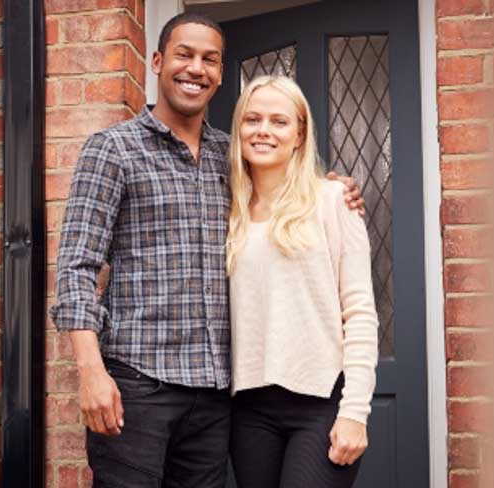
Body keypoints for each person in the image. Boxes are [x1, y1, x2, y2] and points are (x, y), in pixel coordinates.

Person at [49, 13, 364, 488]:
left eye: (209, 60)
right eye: (184, 55)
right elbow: (76, 266)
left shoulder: (230, 157)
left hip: (215, 398)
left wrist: (335, 189)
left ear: (219, 74)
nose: (196, 68)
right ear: (157, 62)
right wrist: (90, 371)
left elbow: (287, 190)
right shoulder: (112, 150)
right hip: (138, 386)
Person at [226, 75, 379, 488]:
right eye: (252, 119)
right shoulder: (228, 213)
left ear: (299, 134)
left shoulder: (332, 202)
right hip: (249, 409)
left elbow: (361, 313)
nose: (263, 131)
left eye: (279, 121)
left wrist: (354, 412)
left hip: (321, 404)